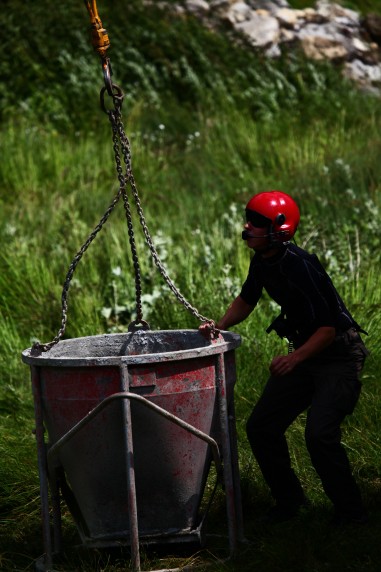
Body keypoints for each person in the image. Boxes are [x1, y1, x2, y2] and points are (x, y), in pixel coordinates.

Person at [200, 190, 369, 525]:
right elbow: (247, 299)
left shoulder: (300, 265)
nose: (247, 226)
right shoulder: (263, 260)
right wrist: (217, 326)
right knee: (261, 427)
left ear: (280, 229)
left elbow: (328, 329)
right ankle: (290, 501)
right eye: (248, 218)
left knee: (319, 435)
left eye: (256, 222)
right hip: (308, 354)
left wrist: (293, 360)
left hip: (337, 356)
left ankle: (352, 513)